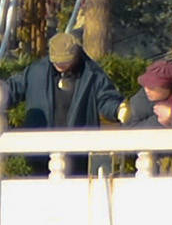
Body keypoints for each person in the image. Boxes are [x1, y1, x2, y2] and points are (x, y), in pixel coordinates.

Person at [11, 32, 108, 176]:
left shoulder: (92, 74)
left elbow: (106, 97)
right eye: (56, 61)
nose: (60, 64)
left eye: (65, 61)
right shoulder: (36, 71)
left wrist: (118, 109)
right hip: (41, 149)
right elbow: (12, 89)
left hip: (78, 150)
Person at [122, 58, 172, 174]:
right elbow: (130, 131)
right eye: (145, 85)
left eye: (152, 87)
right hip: (155, 156)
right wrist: (161, 122)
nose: (146, 90)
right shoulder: (139, 101)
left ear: (167, 87)